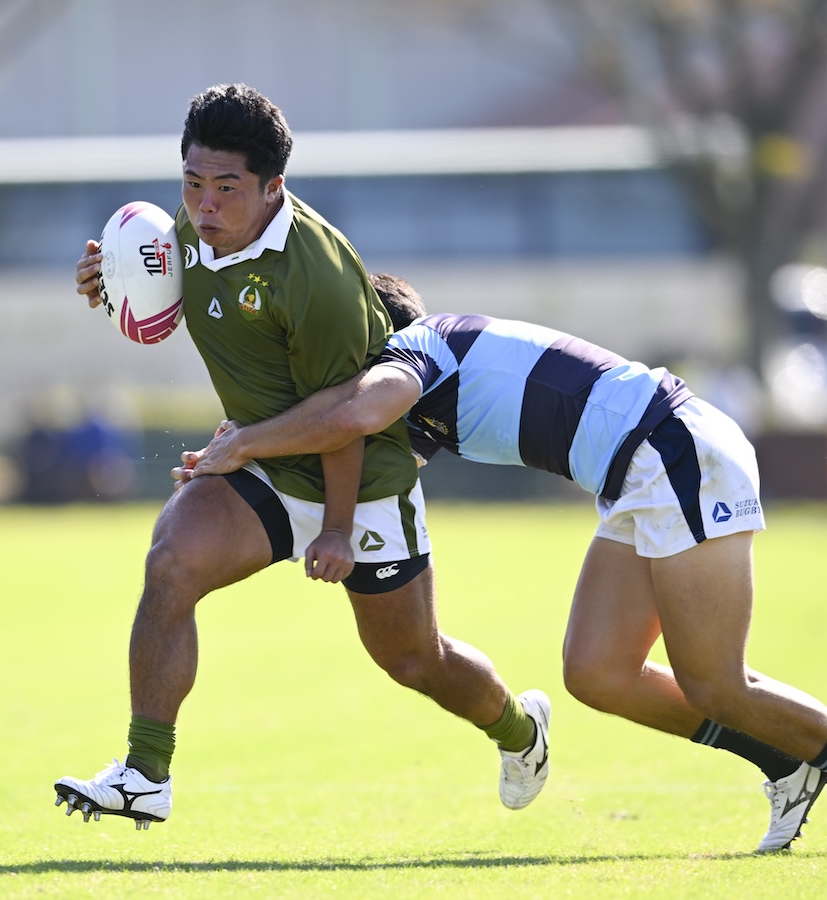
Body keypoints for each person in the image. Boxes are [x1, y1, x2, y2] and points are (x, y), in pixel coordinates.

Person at [180, 273, 827, 854]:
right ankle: (784, 762)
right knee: (597, 671)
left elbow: (356, 411)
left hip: (672, 447)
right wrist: (236, 460)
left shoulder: (419, 349)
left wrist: (248, 440)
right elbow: (339, 451)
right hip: (637, 472)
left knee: (716, 678)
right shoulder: (420, 402)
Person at [54, 86, 550, 831]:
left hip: (363, 475)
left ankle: (521, 730)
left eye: (227, 188)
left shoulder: (315, 271)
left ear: (273, 187)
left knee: (414, 661)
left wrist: (337, 529)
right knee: (171, 563)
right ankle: (144, 774)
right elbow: (159, 300)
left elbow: (345, 419)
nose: (205, 204)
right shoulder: (185, 227)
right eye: (193, 182)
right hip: (260, 457)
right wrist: (110, 282)